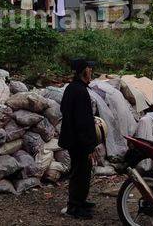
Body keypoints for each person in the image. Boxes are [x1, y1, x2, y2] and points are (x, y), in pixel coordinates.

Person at [58, 59, 97, 220]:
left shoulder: (72, 88)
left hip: (74, 139)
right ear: (83, 71)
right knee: (80, 173)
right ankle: (74, 207)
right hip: (79, 142)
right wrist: (88, 146)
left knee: (82, 172)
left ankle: (80, 201)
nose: (92, 71)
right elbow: (82, 122)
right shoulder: (79, 91)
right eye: (89, 68)